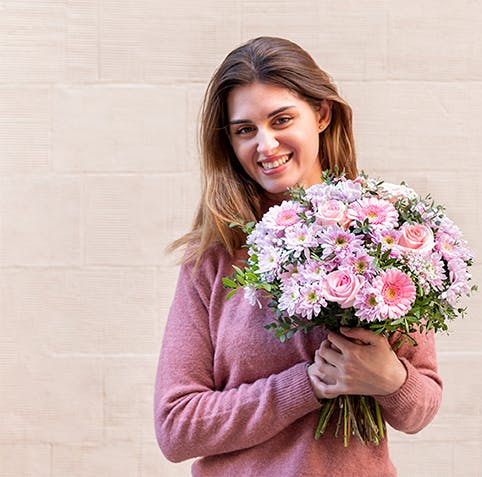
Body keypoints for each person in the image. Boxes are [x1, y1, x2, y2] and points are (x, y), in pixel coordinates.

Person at [153, 36, 442, 476]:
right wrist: (306, 385)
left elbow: (419, 409)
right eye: (244, 130)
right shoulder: (214, 259)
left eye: (281, 119)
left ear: (322, 114)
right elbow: (176, 427)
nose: (265, 145)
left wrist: (392, 380)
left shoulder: (383, 236)